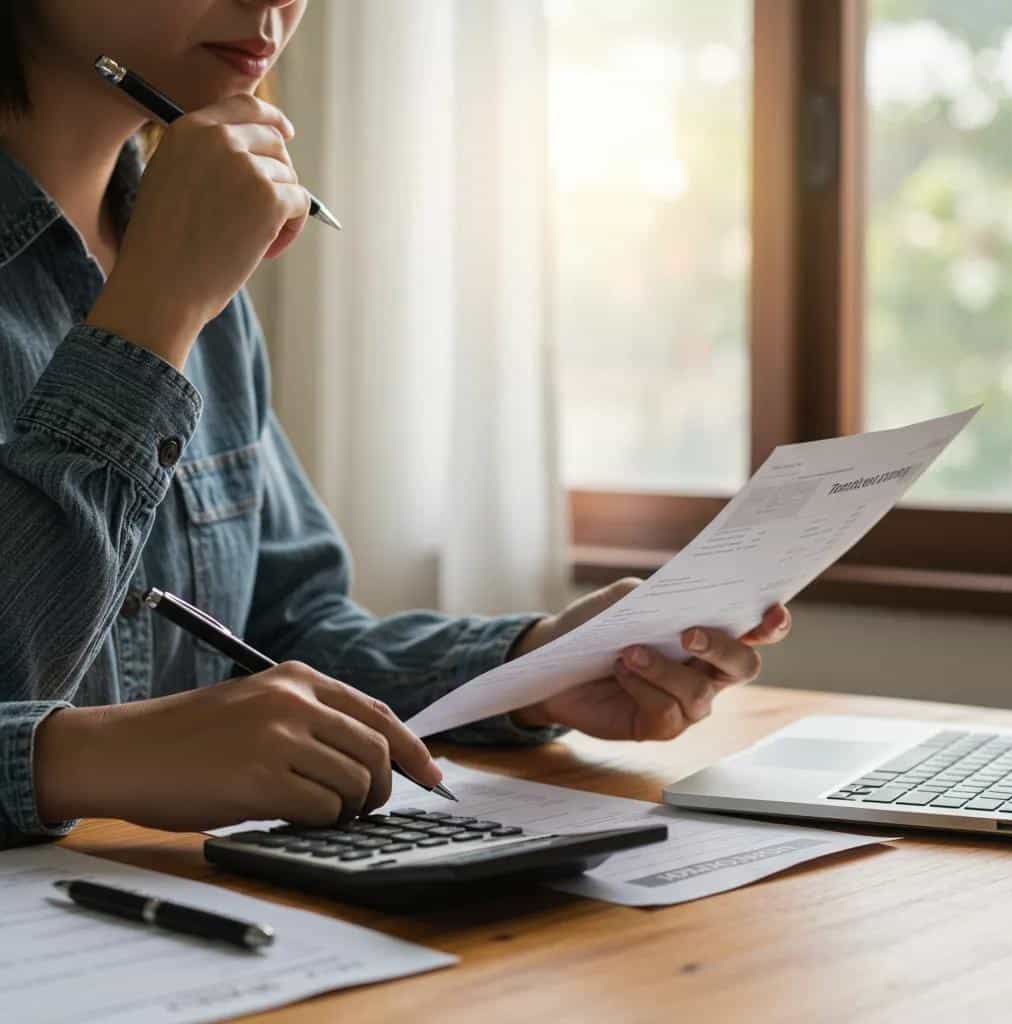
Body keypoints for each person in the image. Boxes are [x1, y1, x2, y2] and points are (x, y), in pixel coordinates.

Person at [0, 0, 792, 849]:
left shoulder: (186, 249)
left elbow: (286, 636)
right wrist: (157, 305)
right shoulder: (179, 270)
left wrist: (535, 668)